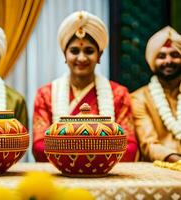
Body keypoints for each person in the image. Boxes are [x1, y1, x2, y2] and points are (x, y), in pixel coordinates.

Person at [32, 11, 138, 162]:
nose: (81, 58)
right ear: (64, 55)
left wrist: (77, 153)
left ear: (99, 56)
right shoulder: (46, 94)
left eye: (89, 51)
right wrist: (94, 151)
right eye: (74, 51)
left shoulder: (119, 94)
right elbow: (39, 146)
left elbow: (130, 146)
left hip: (106, 178)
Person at [131, 26, 181, 162]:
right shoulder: (139, 98)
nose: (168, 61)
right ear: (152, 61)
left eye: (175, 55)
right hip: (158, 171)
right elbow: (148, 144)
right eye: (161, 56)